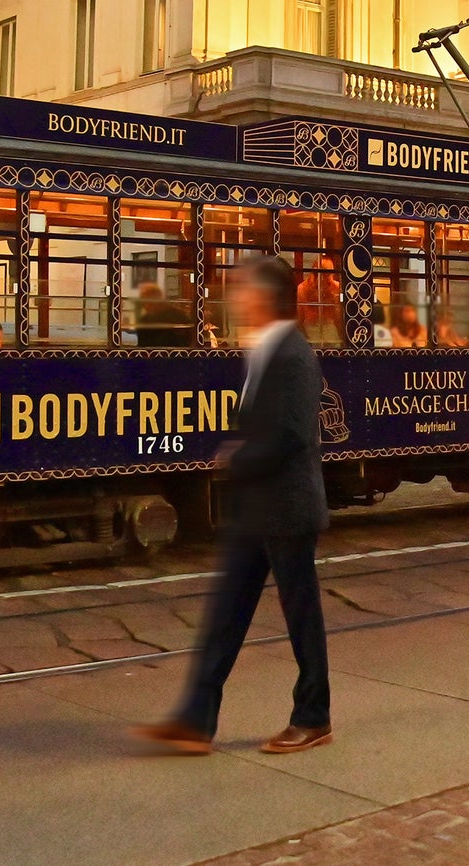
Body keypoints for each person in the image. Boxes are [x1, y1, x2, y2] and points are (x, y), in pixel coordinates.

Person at [135, 255, 331, 756]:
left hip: (286, 506)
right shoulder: (265, 350)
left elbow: (289, 435)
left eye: (244, 289)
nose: (236, 296)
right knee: (226, 615)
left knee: (300, 615)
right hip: (261, 505)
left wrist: (239, 457)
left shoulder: (291, 354)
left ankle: (313, 716)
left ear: (265, 297)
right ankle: (195, 720)